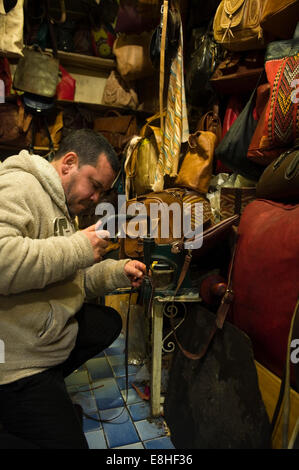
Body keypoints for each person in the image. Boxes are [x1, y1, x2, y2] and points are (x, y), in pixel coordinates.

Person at [0, 129, 146, 449]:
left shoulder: (62, 205)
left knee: (106, 323)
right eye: (94, 186)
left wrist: (117, 271)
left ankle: (49, 392)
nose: (96, 198)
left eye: (102, 192)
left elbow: (72, 276)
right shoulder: (19, 185)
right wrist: (80, 247)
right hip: (13, 360)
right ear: (69, 163)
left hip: (39, 335)